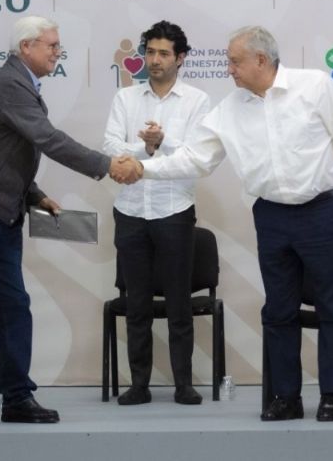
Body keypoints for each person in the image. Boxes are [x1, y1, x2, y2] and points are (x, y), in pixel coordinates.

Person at [114, 26, 333, 422]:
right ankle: (285, 397)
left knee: (332, 306)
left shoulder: (315, 86)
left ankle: (332, 395)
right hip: (271, 215)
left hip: (322, 209)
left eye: (234, 61)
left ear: (261, 61)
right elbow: (194, 159)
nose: (229, 70)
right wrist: (143, 169)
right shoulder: (229, 108)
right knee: (278, 309)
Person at [0, 15, 130, 426]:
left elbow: (3, 150)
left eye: (57, 45)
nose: (57, 52)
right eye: (51, 45)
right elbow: (49, 139)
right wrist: (107, 164)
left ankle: (17, 398)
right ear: (26, 47)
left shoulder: (22, 85)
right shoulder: (10, 85)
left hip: (2, 208)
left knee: (15, 304)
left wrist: (36, 195)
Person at [102, 21, 211, 406]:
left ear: (180, 58)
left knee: (179, 303)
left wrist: (162, 142)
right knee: (137, 304)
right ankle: (139, 384)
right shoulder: (125, 98)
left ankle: (184, 383)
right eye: (149, 52)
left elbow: (196, 156)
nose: (155, 60)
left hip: (174, 210)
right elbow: (112, 146)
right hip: (131, 210)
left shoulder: (197, 101)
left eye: (164, 53)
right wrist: (146, 145)